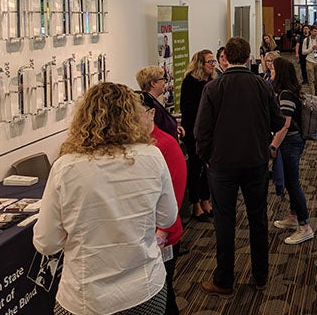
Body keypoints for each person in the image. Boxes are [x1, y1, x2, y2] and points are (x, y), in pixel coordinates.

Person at [33, 83, 178, 315]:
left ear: (84, 117)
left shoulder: (65, 167)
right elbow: (168, 217)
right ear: (132, 115)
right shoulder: (152, 156)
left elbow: (46, 242)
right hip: (144, 289)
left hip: (85, 298)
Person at [195, 37, 285, 296]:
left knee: (225, 222)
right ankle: (260, 275)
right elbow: (278, 121)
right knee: (258, 219)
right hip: (256, 161)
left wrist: (206, 157)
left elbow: (202, 131)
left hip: (221, 166)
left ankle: (224, 280)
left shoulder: (213, 88)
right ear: (248, 57)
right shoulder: (261, 85)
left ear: (226, 58)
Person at [138, 91, 187, 315]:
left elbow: (174, 196)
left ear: (151, 114)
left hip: (162, 236)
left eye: (135, 113)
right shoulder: (129, 147)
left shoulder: (165, 145)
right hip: (140, 238)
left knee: (163, 294)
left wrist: (160, 237)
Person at [269, 57, 315, 244]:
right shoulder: (287, 92)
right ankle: (293, 216)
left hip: (290, 142)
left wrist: (274, 145)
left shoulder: (286, 95)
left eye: (273, 70)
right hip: (292, 141)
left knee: (293, 183)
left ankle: (305, 226)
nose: (270, 72)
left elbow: (285, 124)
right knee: (289, 181)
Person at [180, 49, 216, 221]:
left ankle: (205, 199)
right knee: (195, 168)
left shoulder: (213, 80)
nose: (213, 65)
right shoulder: (191, 82)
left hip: (210, 132)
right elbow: (188, 109)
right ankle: (195, 204)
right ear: (201, 64)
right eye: (210, 62)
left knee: (207, 167)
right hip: (194, 131)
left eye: (213, 61)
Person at [136, 65, 185, 141]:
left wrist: (175, 128)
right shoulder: (150, 105)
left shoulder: (152, 101)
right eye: (163, 79)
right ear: (153, 83)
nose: (165, 82)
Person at [301, 24, 317, 95]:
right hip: (309, 61)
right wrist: (311, 48)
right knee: (311, 80)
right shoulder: (306, 40)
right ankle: (312, 95)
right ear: (310, 31)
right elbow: (303, 52)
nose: (316, 33)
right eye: (314, 31)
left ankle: (316, 93)